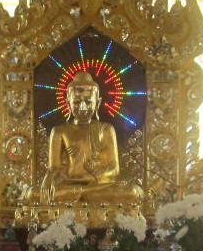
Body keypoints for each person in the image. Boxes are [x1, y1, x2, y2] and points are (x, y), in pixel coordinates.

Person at [39, 70, 142, 204]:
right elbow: (54, 167)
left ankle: (83, 193)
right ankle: (84, 193)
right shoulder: (59, 131)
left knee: (132, 191)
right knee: (32, 193)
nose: (82, 107)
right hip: (70, 184)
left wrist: (97, 172)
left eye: (88, 102)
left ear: (97, 103)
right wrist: (48, 179)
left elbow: (114, 169)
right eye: (77, 102)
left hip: (98, 186)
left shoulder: (106, 129)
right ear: (68, 103)